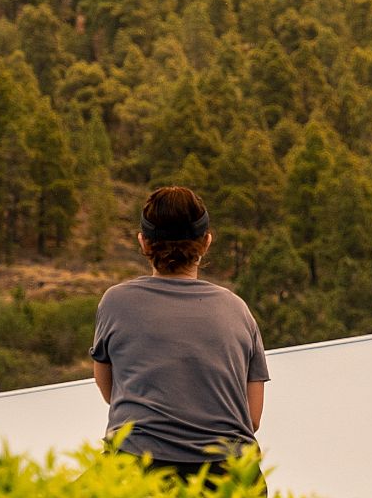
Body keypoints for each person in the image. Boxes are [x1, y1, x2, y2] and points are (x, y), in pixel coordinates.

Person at [91, 185, 270, 478]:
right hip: (230, 478)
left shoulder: (116, 301)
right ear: (206, 242)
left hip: (140, 470)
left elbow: (108, 388)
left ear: (143, 243)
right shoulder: (237, 310)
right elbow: (251, 418)